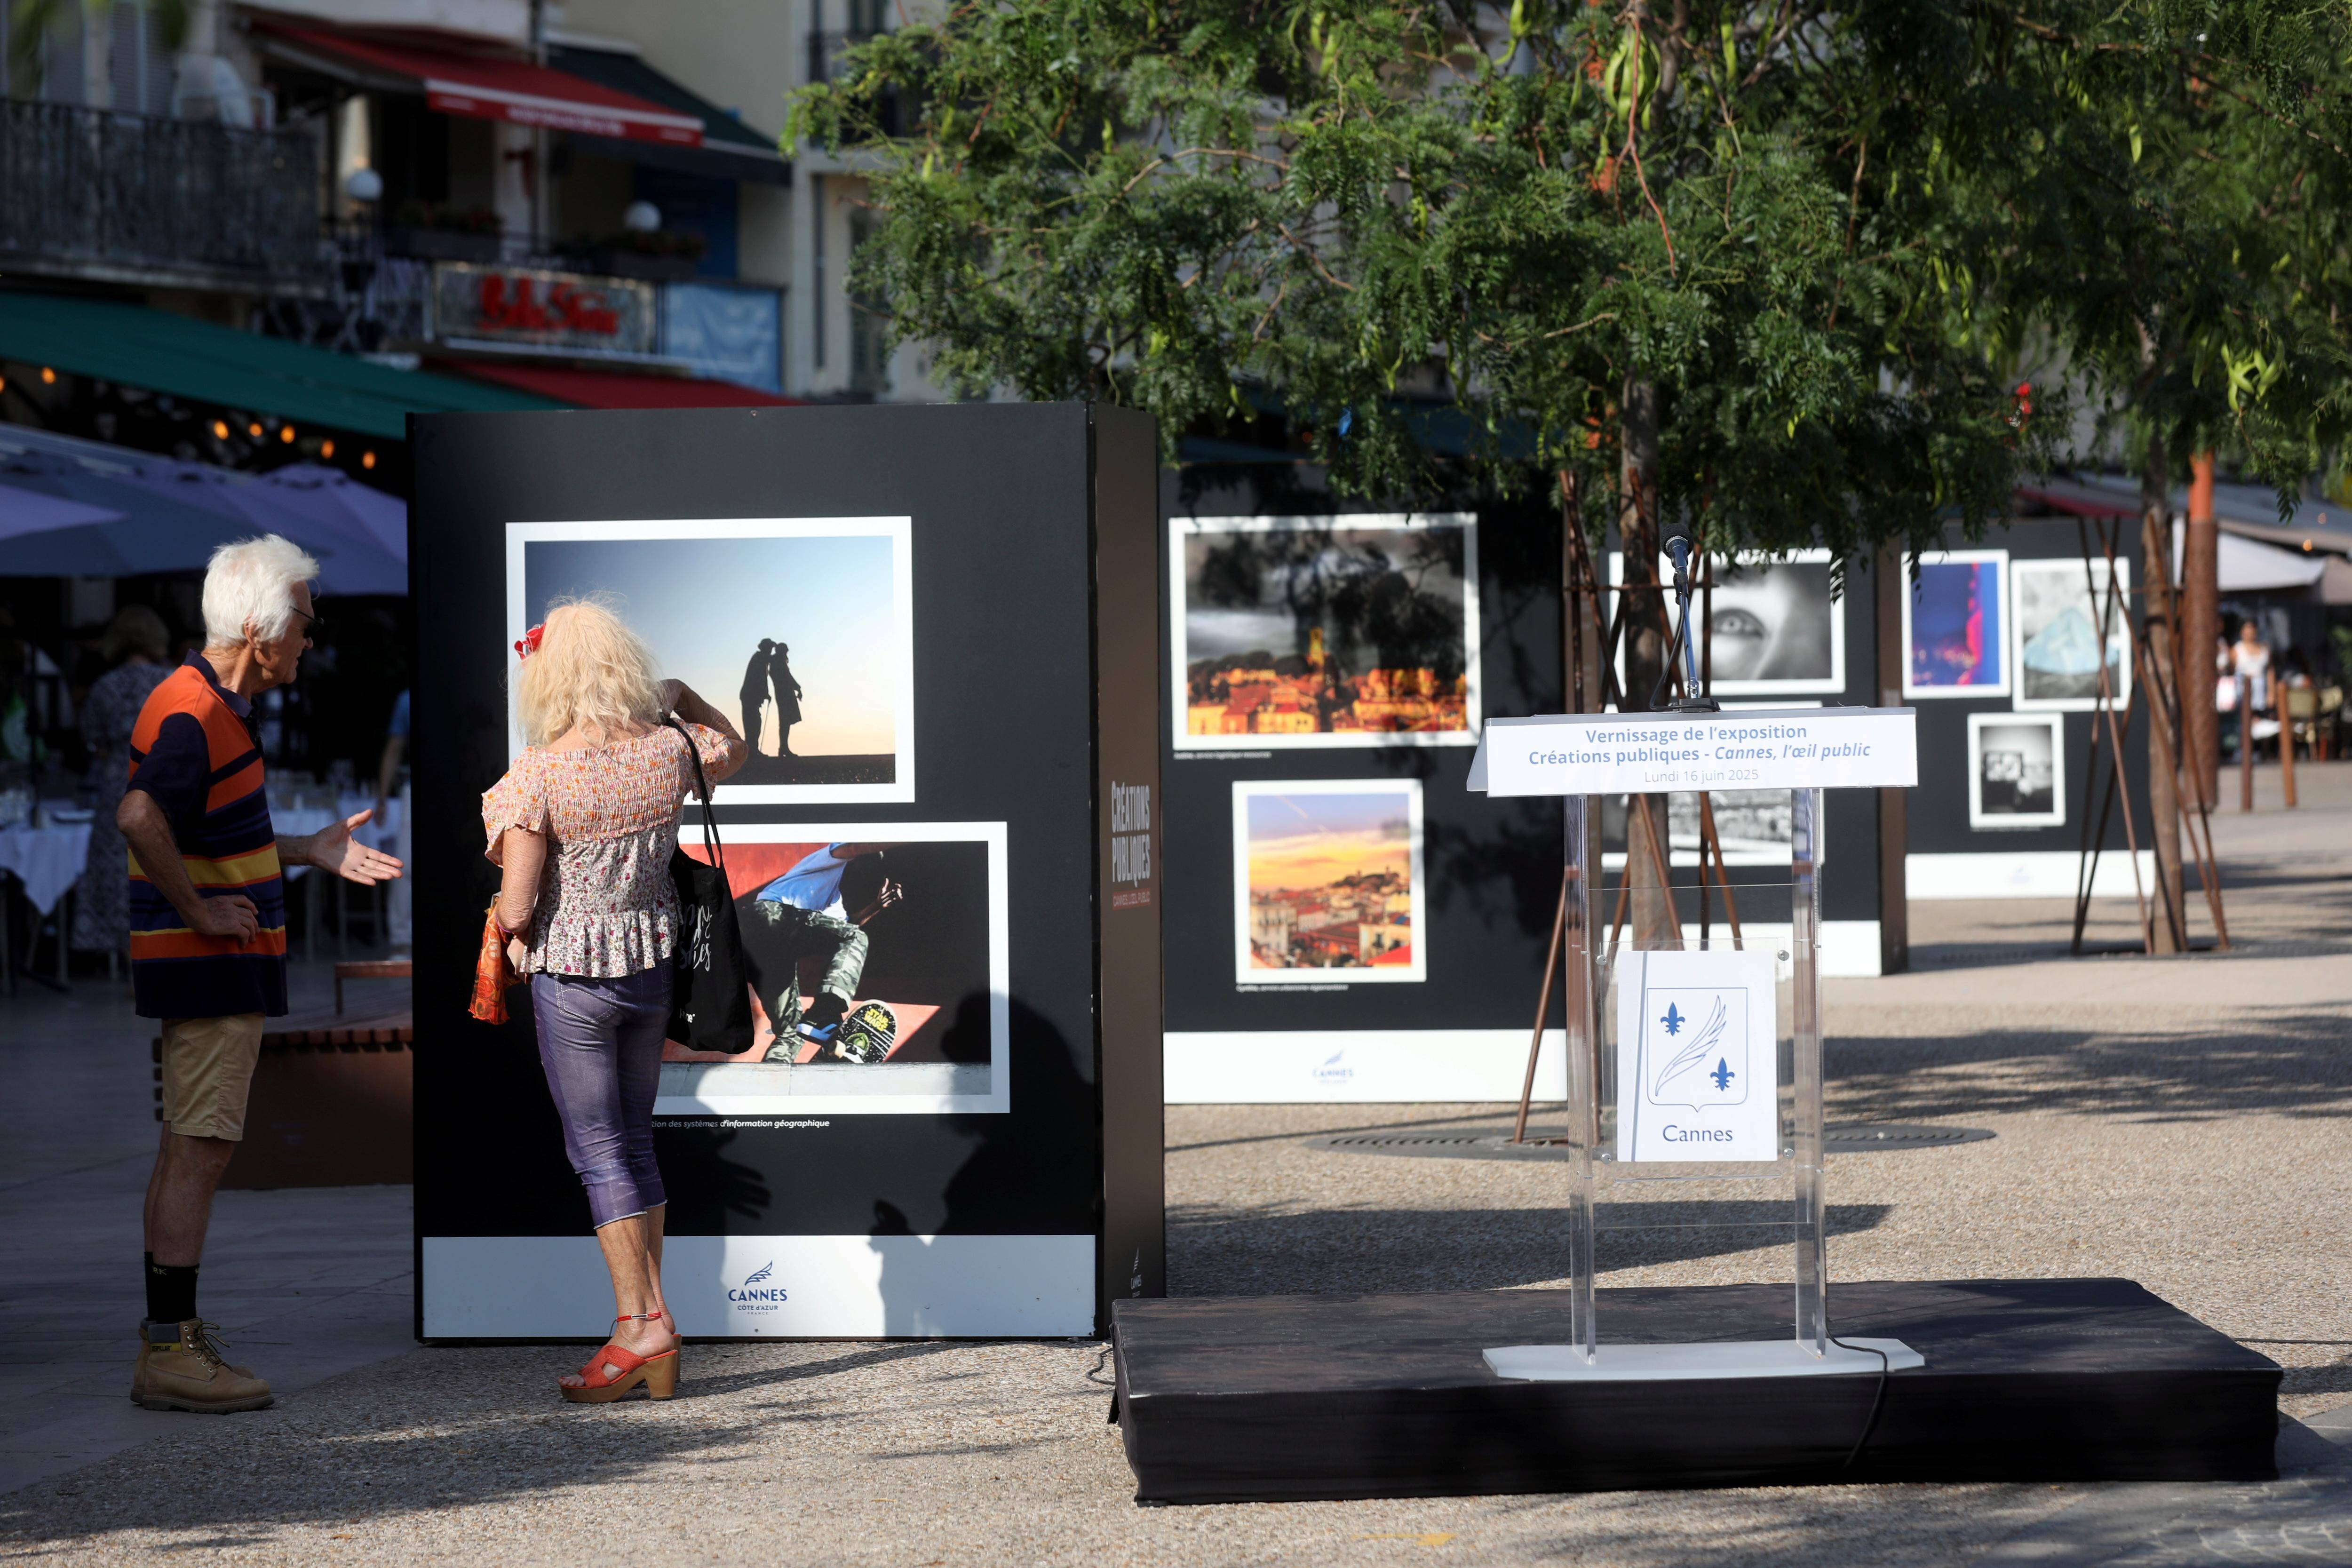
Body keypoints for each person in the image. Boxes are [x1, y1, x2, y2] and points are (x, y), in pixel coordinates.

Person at [119, 537, 403, 1413]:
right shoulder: (195, 711)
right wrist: (203, 912)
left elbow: (199, 830)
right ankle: (171, 1347)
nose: (311, 641)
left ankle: (172, 1334)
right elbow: (140, 816)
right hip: (208, 966)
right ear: (258, 628)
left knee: (190, 1144)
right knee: (201, 1146)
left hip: (208, 968)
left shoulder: (206, 706)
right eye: (305, 625)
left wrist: (306, 851)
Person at [483, 598, 745, 1402]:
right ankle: (651, 1319)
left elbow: (519, 907)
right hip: (651, 969)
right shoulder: (670, 750)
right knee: (634, 1143)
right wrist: (681, 693)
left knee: (598, 1152)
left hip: (575, 979)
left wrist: (501, 924)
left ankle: (640, 1326)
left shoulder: (540, 771)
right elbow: (734, 743)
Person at [72, 606, 173, 960]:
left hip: (119, 782)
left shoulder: (105, 686)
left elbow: (92, 739)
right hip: (165, 781)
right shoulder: (172, 682)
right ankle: (166, 944)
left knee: (117, 869)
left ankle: (126, 954)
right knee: (167, 860)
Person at [739, 842, 900, 1063]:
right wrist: (916, 834)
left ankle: (772, 1080)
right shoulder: (829, 859)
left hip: (760, 948)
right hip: (768, 915)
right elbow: (853, 848)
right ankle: (825, 1013)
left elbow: (847, 927)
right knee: (856, 938)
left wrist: (876, 907)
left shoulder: (836, 905)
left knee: (791, 1033)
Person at [374, 688, 412, 954]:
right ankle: (401, 936)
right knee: (405, 865)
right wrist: (382, 799)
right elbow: (394, 751)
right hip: (412, 789)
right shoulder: (406, 700)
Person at [739, 640, 773, 758]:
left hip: (750, 697)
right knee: (753, 724)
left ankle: (752, 750)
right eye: (770, 649)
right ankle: (751, 752)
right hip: (750, 697)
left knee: (754, 724)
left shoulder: (760, 659)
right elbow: (760, 680)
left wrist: (766, 694)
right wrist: (766, 694)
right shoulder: (759, 660)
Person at [770, 642, 803, 757]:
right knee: (785, 722)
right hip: (785, 694)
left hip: (783, 693)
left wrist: (797, 688)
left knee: (785, 722)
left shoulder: (776, 662)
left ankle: (784, 748)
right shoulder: (778, 662)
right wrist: (798, 688)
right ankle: (784, 748)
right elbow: (787, 677)